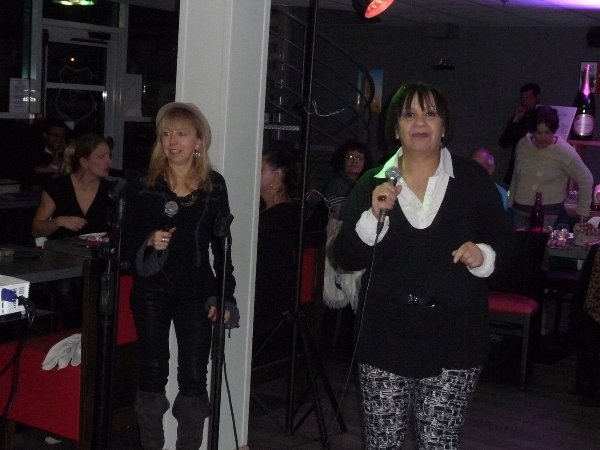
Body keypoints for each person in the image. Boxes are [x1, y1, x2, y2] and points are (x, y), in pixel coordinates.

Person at [333, 82, 513, 449]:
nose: (419, 122)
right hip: (384, 336)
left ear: (444, 127)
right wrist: (372, 216)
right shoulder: (372, 182)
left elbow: (506, 243)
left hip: (456, 337)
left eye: (430, 113)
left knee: (438, 441)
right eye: (409, 114)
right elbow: (346, 257)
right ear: (395, 128)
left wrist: (483, 255)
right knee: (383, 442)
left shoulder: (472, 179)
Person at [122, 102, 238, 450]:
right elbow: (123, 239)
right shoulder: (145, 184)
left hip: (197, 291)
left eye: (182, 134)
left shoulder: (215, 186)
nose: (173, 142)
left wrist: (225, 295)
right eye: (166, 134)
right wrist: (148, 240)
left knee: (194, 374)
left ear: (198, 140)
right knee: (153, 368)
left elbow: (223, 246)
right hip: (152, 290)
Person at [31, 133, 113, 327]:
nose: (108, 162)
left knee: (104, 288)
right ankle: (75, 333)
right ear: (84, 162)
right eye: (101, 157)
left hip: (96, 260)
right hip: (62, 261)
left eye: (109, 156)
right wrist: (59, 221)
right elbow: (36, 229)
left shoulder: (111, 191)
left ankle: (92, 335)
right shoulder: (58, 187)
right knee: (66, 288)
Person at [509, 105, 593, 230]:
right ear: (533, 131)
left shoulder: (564, 151)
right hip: (519, 211)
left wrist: (582, 213)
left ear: (554, 131)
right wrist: (509, 203)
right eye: (539, 133)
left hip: (549, 215)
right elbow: (516, 177)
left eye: (547, 133)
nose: (543, 137)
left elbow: (586, 178)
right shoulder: (523, 144)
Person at [253, 148, 300, 362]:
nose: (255, 173)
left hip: (270, 308)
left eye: (261, 169)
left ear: (278, 175)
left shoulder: (276, 220)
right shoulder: (278, 214)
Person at [499, 82, 541, 184]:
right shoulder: (521, 117)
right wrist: (515, 120)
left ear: (537, 97)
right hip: (516, 170)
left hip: (534, 171)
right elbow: (503, 142)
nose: (525, 102)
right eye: (523, 99)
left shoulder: (543, 118)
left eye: (528, 98)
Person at [322, 140, 371, 218]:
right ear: (342, 160)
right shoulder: (336, 184)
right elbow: (340, 214)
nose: (354, 161)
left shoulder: (364, 184)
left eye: (359, 158)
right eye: (350, 157)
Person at [30, 118, 70, 188]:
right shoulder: (35, 154)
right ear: (45, 135)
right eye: (55, 135)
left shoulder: (69, 154)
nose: (59, 140)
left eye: (62, 136)